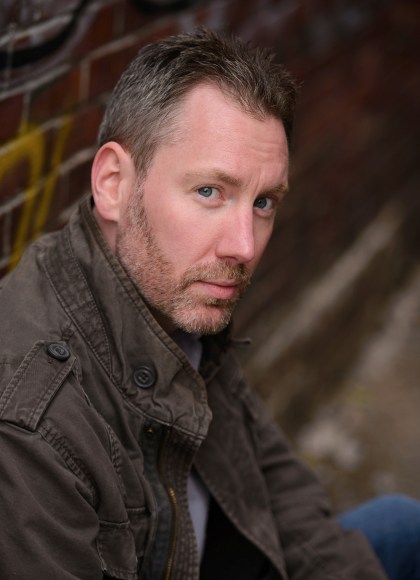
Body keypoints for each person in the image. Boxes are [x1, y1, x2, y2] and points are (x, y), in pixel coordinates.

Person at [0, 27, 418, 580]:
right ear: (114, 183)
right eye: (209, 192)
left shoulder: (175, 295)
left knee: (404, 523)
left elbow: (276, 488)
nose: (243, 247)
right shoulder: (30, 423)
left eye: (263, 202)